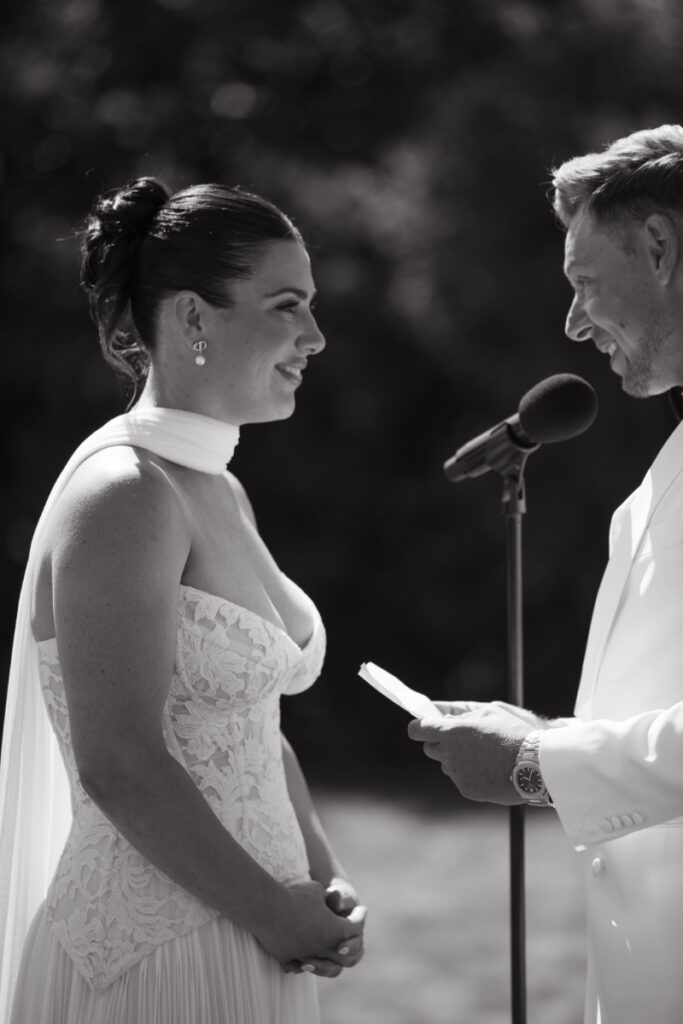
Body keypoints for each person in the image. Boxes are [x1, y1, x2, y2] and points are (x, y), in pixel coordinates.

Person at [0, 177, 366, 1024]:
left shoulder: (217, 488)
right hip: (152, 957)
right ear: (195, 319)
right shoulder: (125, 492)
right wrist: (272, 912)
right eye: (286, 306)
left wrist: (321, 874)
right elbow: (118, 760)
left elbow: (251, 726)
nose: (314, 336)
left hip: (261, 932)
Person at [408, 123, 683, 1024]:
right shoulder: (661, 469)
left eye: (582, 283)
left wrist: (536, 763)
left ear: (659, 249)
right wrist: (544, 733)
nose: (571, 323)